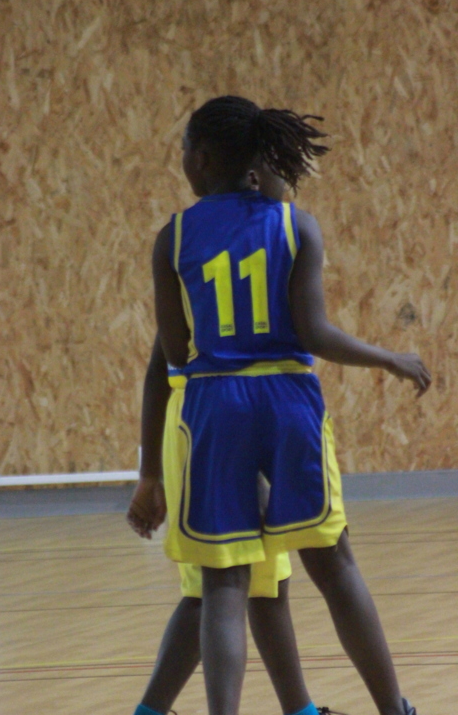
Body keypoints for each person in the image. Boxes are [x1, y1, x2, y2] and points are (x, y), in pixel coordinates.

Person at [142, 96, 431, 715]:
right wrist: (387, 357)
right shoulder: (295, 226)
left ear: (203, 158)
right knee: (335, 566)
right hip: (287, 401)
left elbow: (175, 351)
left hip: (213, 404)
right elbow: (315, 334)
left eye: (185, 150)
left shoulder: (174, 238)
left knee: (224, 585)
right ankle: (394, 708)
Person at [128, 163, 321, 715]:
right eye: (285, 174)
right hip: (204, 431)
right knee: (216, 591)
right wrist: (150, 474)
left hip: (232, 428)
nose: (291, 187)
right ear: (256, 177)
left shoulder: (263, 248)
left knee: (262, 587)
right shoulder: (202, 250)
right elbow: (159, 370)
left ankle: (300, 709)